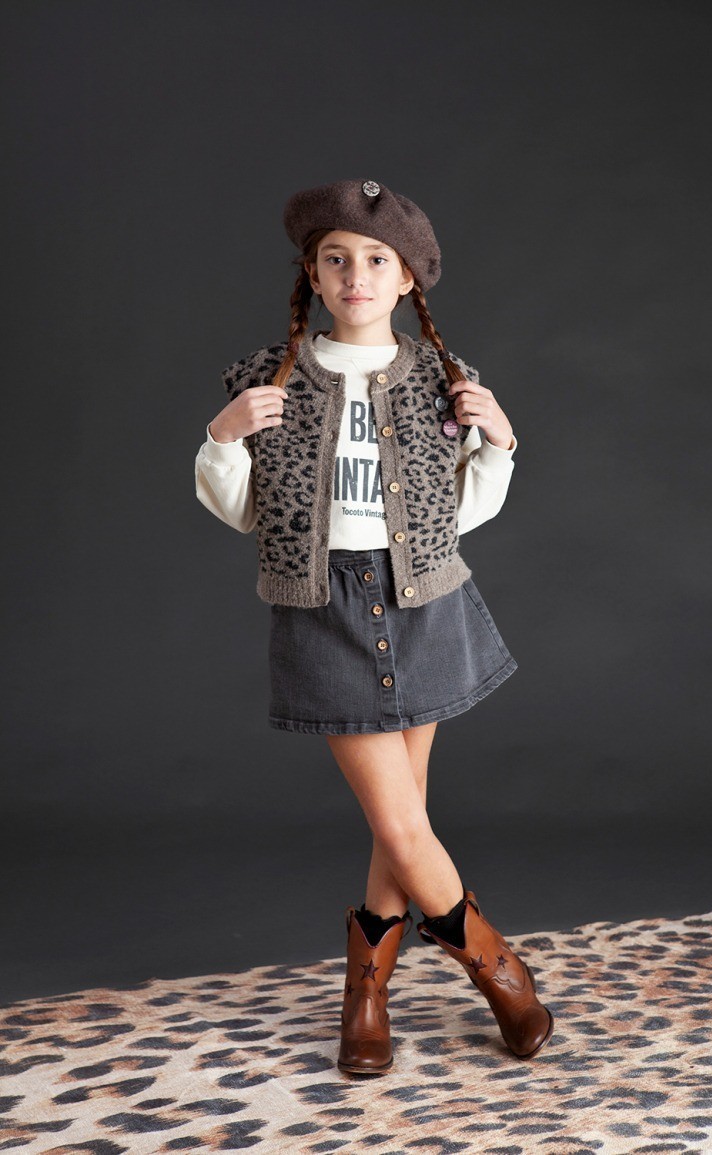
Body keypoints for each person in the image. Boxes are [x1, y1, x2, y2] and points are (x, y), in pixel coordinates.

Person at [195, 178, 554, 1076]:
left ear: (405, 279)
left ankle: (366, 993)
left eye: (376, 260)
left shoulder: (444, 378)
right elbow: (243, 511)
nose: (356, 276)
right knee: (399, 823)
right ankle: (500, 972)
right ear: (314, 276)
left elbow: (457, 515)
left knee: (402, 825)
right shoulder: (269, 378)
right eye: (337, 259)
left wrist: (501, 441)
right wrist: (223, 437)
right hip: (324, 605)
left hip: (424, 599)